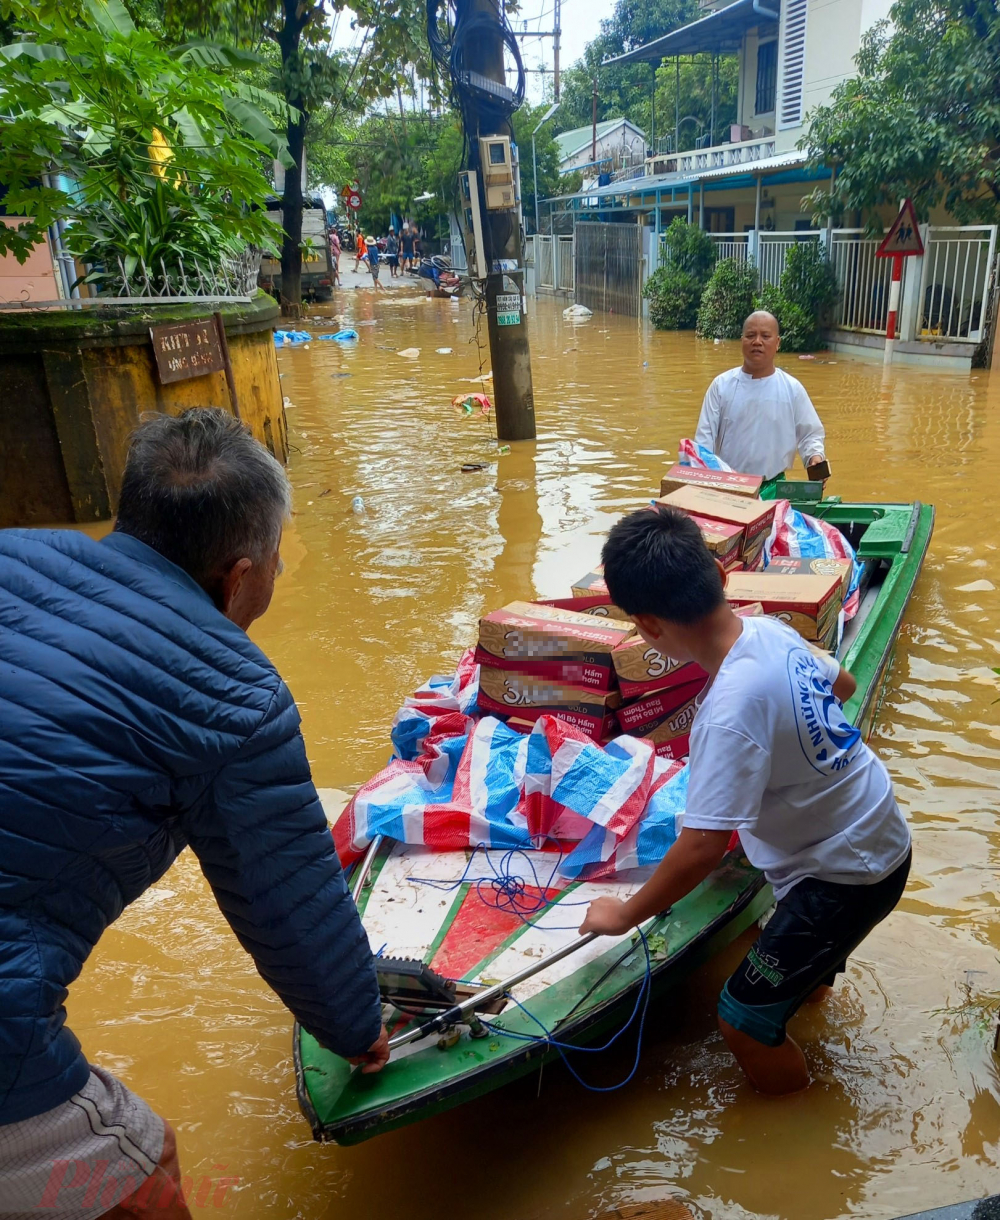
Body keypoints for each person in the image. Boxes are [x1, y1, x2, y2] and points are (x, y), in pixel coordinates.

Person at [0, 409, 388, 1219]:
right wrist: (357, 1027)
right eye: (279, 560)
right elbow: (290, 906)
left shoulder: (14, 552)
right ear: (238, 575)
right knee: (147, 1176)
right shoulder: (235, 696)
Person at [580, 505, 912, 1096]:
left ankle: (799, 1138)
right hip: (878, 829)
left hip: (846, 875)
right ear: (722, 579)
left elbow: (703, 847)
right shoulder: (768, 632)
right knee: (795, 978)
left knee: (742, 1024)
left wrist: (624, 914)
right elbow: (843, 686)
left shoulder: (728, 715)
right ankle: (810, 996)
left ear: (649, 626)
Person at [694, 310, 827, 480]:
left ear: (777, 343)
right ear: (742, 341)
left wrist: (815, 458)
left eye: (765, 336)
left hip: (773, 488)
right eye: (750, 335)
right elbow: (704, 442)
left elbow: (810, 434)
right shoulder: (721, 386)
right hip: (727, 488)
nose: (757, 342)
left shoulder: (792, 389)